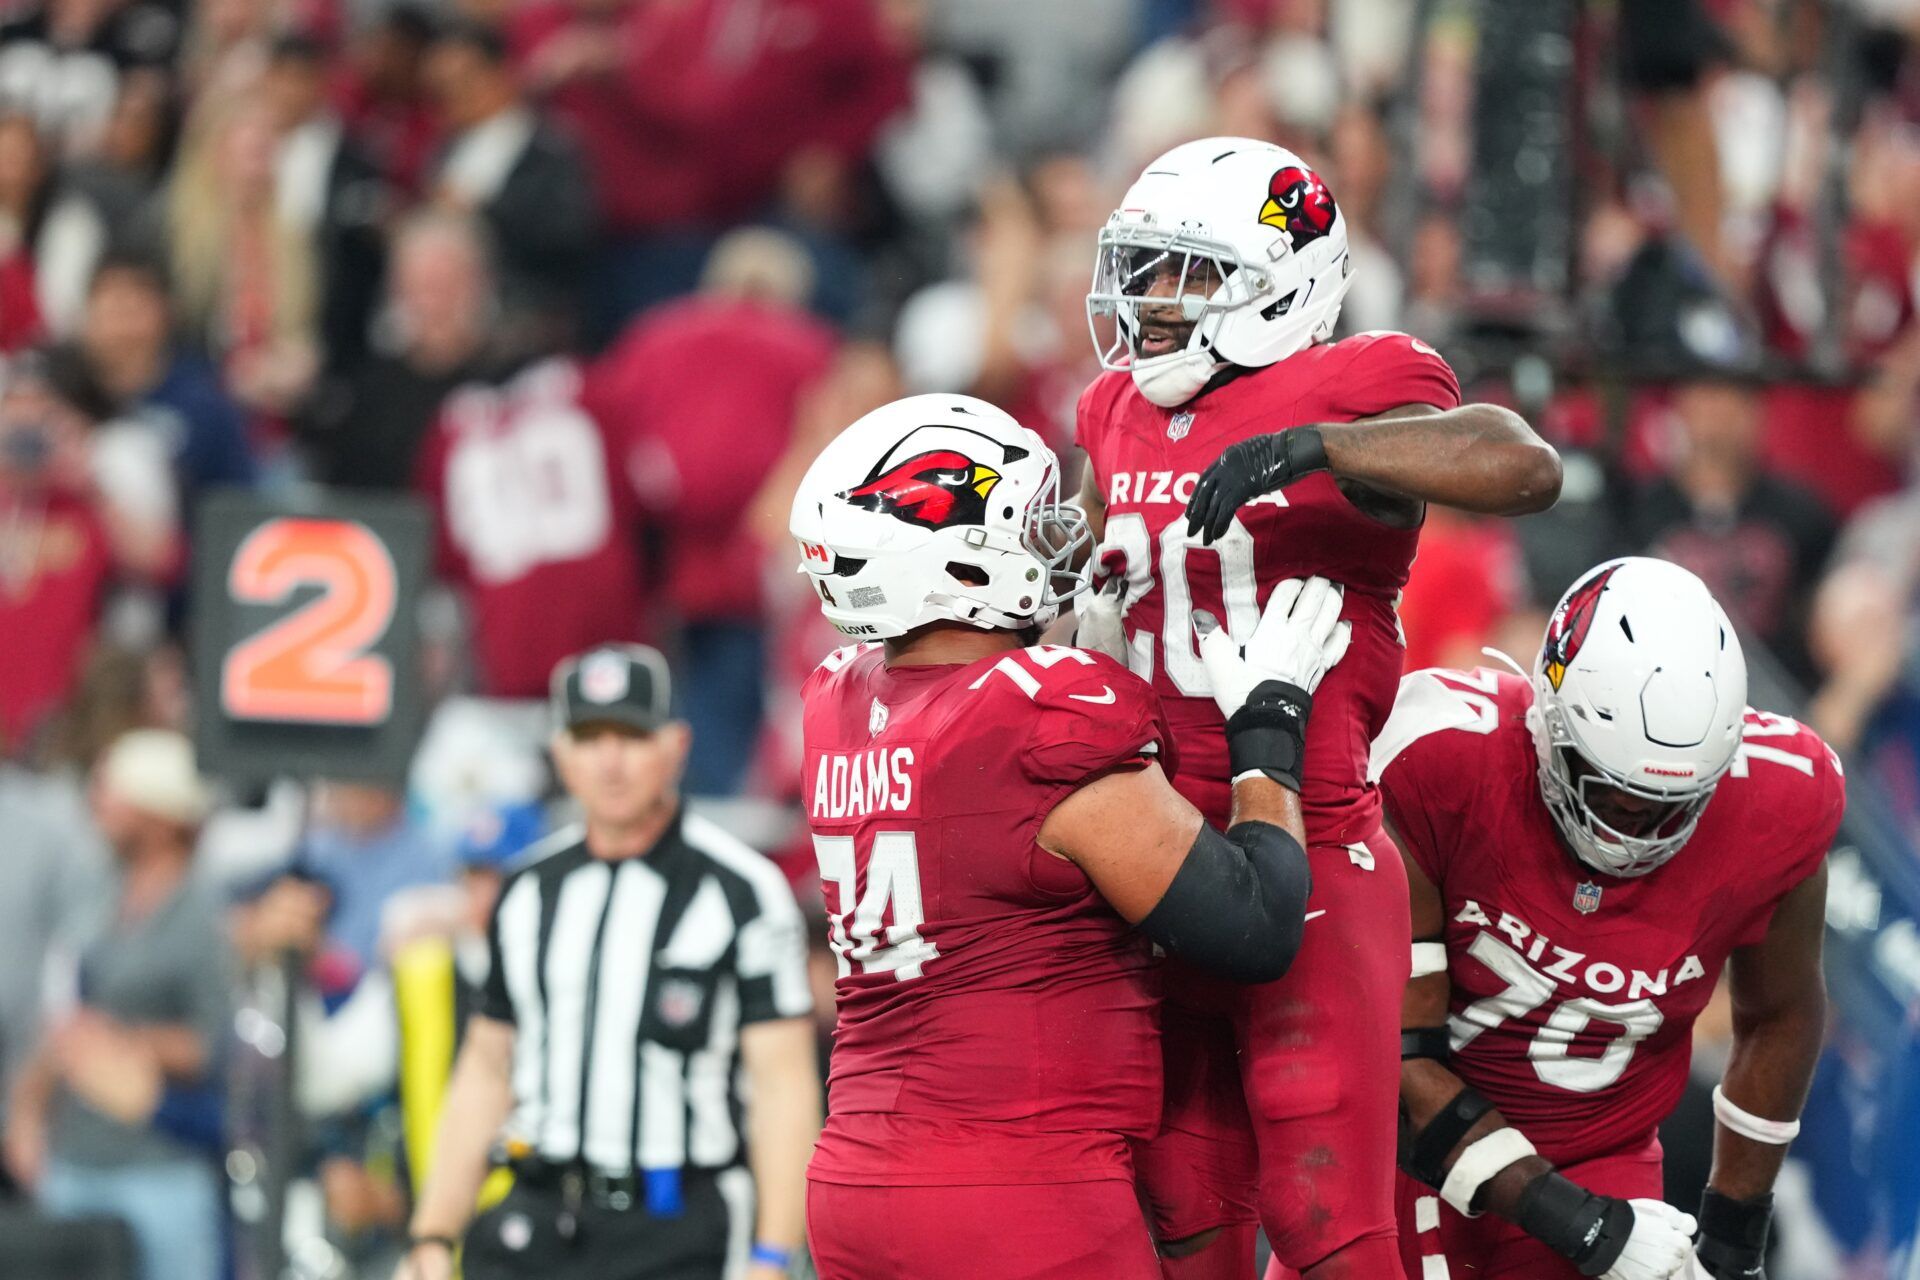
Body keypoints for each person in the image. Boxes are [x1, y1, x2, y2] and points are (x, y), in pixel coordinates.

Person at [1073, 136, 1562, 1279]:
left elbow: (1524, 465)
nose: (1153, 298)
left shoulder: (1359, 382)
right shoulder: (1108, 406)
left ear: (1282, 285)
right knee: (1187, 1225)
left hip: (1317, 850)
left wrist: (1321, 447)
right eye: (1145, 266)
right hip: (1159, 859)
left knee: (1327, 1226)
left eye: (1190, 271)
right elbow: (1090, 561)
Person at [791, 393, 1339, 1278]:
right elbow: (1257, 925)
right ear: (959, 562)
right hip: (1019, 1192)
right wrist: (1268, 728)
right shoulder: (1044, 714)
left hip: (852, 1183)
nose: (1056, 539)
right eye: (1028, 522)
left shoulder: (837, 696)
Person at [1374, 557, 1842, 1280]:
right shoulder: (1440, 760)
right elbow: (1388, 1059)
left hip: (1605, 1155)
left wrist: (1733, 1241)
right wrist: (1582, 1225)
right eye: (1613, 795)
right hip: (1403, 1156)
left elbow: (1780, 1012)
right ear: (1550, 723)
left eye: (1670, 806)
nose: (1636, 831)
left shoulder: (1782, 798)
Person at [398, 643, 820, 1280]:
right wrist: (433, 1233)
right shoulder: (528, 889)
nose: (610, 761)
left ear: (676, 746)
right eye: (590, 738)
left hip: (678, 1230)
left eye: (632, 736)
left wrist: (773, 1254)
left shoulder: (742, 890)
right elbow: (486, 1067)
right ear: (560, 753)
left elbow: (782, 1083)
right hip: (539, 1212)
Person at [4, 729, 231, 1280]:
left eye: (115, 794)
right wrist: (28, 1111)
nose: (98, 805)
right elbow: (63, 1015)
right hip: (77, 1159)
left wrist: (122, 1042)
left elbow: (217, 1041)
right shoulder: (101, 896)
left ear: (160, 814)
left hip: (160, 1166)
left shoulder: (201, 911)